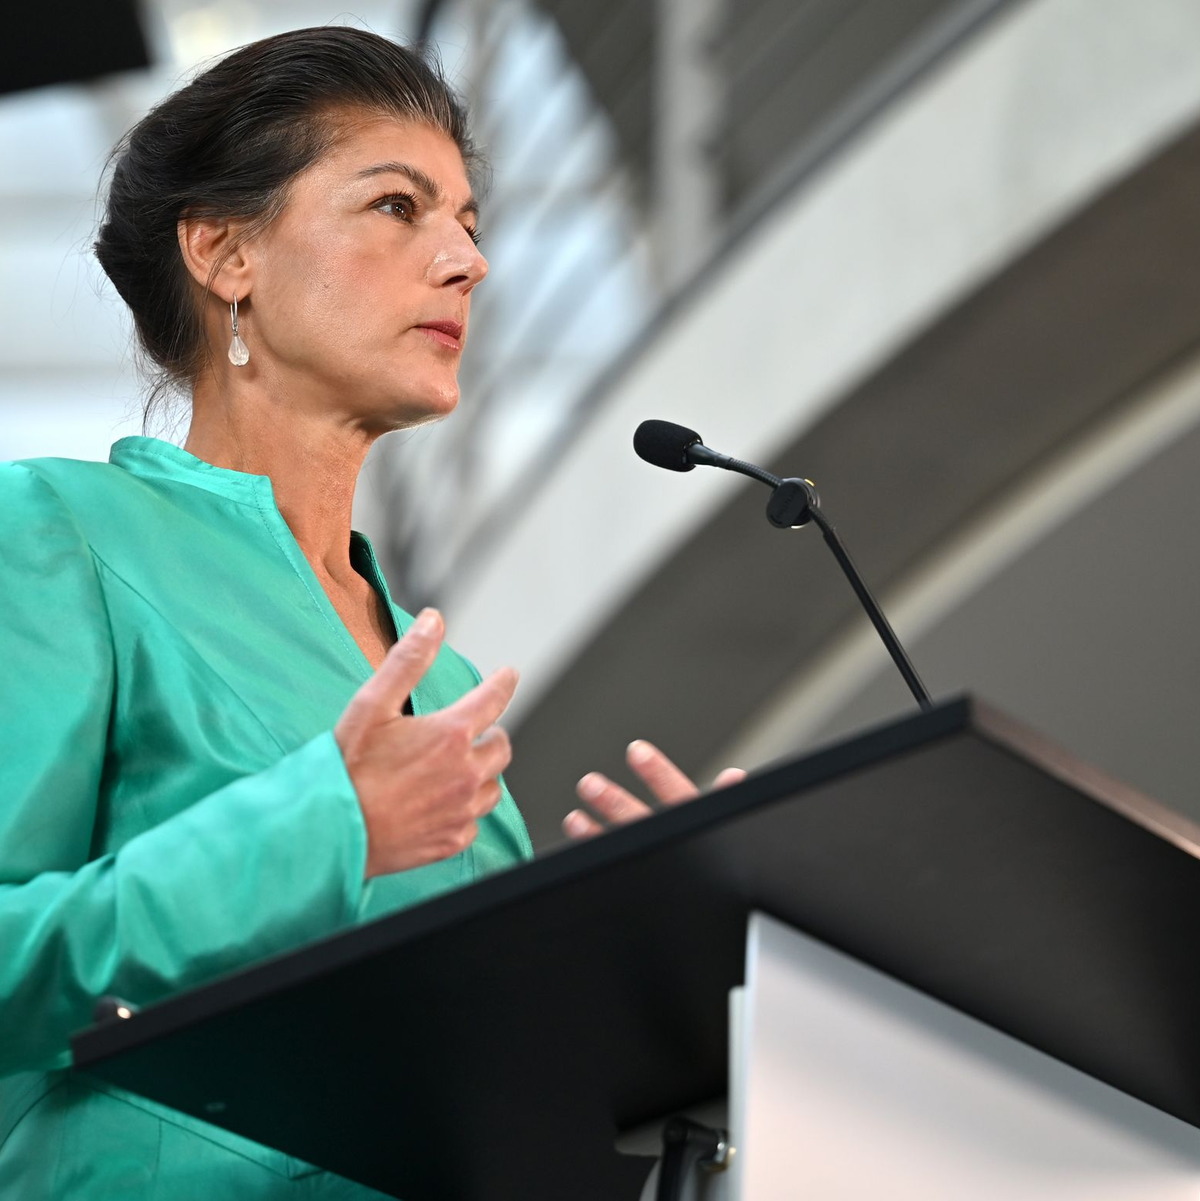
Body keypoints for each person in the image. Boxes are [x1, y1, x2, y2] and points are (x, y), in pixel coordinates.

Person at [0, 25, 744, 1200]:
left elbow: (479, 1073)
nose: (468, 261)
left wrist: (669, 951)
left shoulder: (444, 685)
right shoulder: (59, 531)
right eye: (398, 207)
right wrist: (320, 829)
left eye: (469, 223)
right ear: (225, 251)